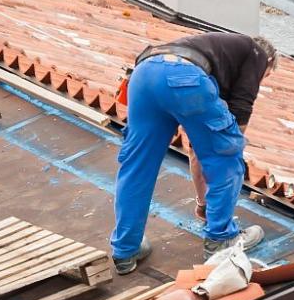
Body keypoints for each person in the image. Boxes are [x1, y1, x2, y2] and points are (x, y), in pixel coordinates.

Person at [110, 32, 277, 274]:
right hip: (183, 77)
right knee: (228, 158)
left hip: (144, 74)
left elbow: (197, 150)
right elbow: (240, 110)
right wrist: (231, 144)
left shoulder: (217, 49)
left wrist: (202, 203)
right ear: (268, 63)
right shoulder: (258, 52)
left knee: (137, 166)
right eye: (264, 77)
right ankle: (221, 239)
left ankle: (126, 249)